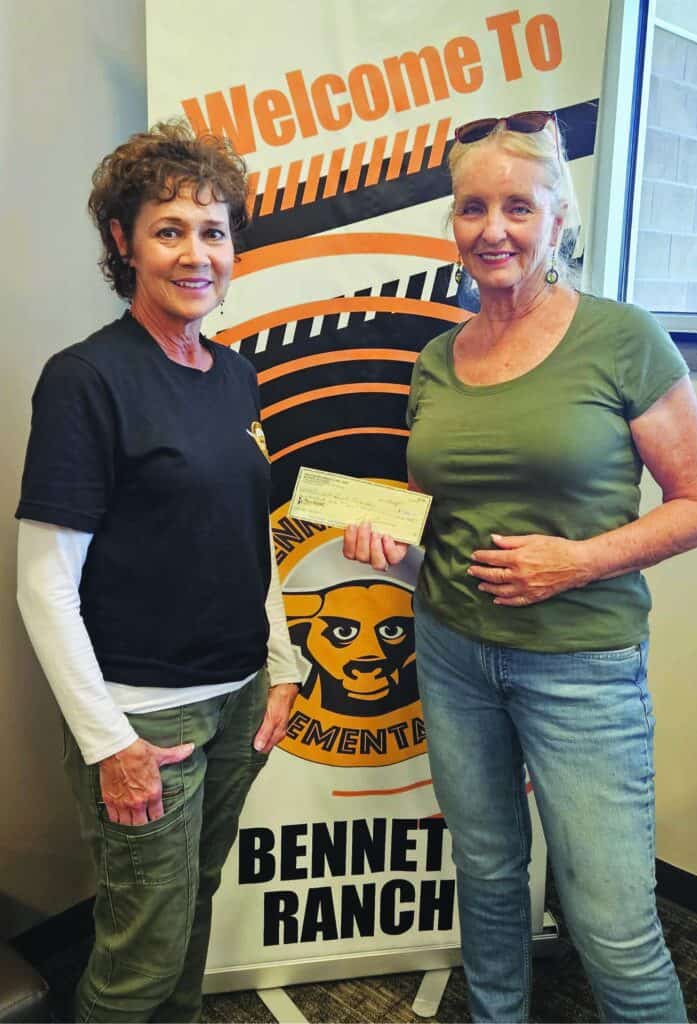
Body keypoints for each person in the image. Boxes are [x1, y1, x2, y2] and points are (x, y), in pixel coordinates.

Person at [344, 110, 697, 1023]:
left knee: (612, 926)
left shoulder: (621, 337)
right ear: (453, 225)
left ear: (558, 218)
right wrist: (389, 549)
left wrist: (578, 561)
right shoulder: (437, 360)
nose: (493, 229)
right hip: (451, 652)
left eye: (518, 207)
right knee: (483, 873)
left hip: (580, 668)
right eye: (472, 208)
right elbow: (429, 528)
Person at [16, 121, 300, 1023]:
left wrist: (282, 667)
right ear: (122, 242)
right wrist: (111, 745)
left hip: (240, 697)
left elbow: (247, 538)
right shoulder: (86, 379)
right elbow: (42, 584)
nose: (196, 253)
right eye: (169, 229)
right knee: (139, 955)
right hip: (148, 719)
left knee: (191, 911)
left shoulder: (234, 375)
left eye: (214, 231)